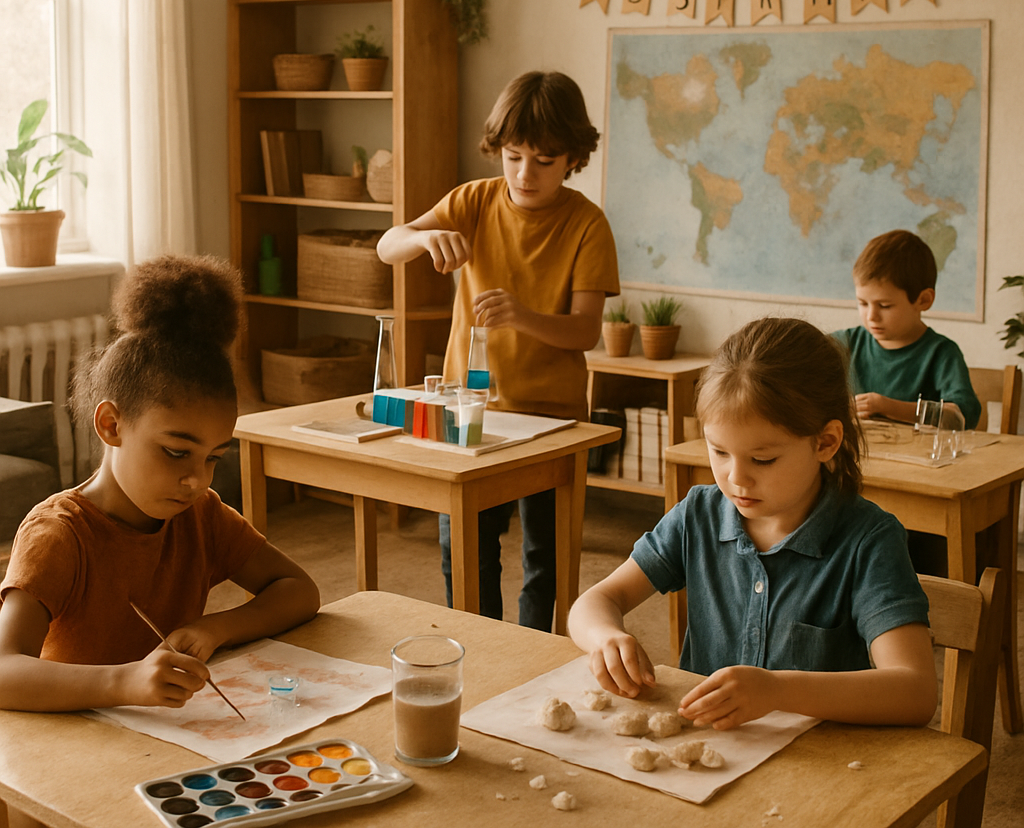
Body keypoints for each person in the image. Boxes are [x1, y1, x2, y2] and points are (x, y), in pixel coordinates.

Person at [568, 318, 937, 729]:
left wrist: (778, 691)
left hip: (820, 766)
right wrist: (605, 637)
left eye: (762, 459)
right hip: (712, 751)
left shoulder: (868, 539)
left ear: (825, 442)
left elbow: (915, 691)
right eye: (720, 452)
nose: (736, 478)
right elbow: (594, 602)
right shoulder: (698, 515)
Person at [0, 255, 321, 712]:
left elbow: (299, 589)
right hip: (72, 755)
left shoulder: (200, 514)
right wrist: (123, 683)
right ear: (111, 424)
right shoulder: (59, 535)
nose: (195, 479)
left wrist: (216, 627)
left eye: (213, 457)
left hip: (166, 744)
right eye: (175, 452)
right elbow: (3, 670)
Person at [377, 70, 620, 630]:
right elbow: (388, 246)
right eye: (513, 157)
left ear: (574, 159)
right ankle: (477, 648)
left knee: (546, 562)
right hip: (469, 414)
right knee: (464, 549)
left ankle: (535, 657)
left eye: (544, 159)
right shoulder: (474, 200)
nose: (524, 174)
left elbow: (585, 332)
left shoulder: (587, 224)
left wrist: (523, 316)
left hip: (552, 420)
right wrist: (420, 237)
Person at [832, 229, 980, 429]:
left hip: (919, 458)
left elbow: (963, 415)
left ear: (923, 300)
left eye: (885, 306)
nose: (871, 316)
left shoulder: (941, 353)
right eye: (863, 303)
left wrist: (887, 407)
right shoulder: (844, 343)